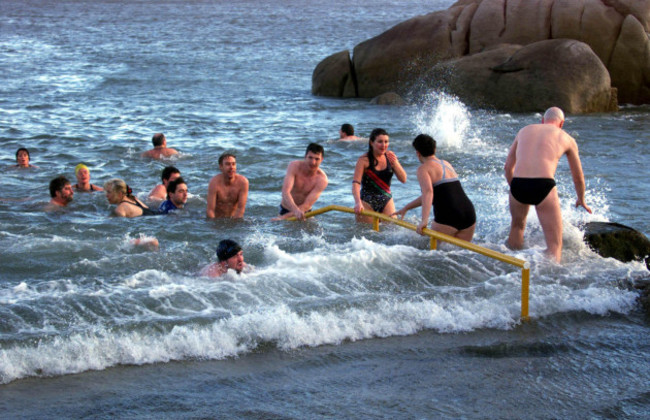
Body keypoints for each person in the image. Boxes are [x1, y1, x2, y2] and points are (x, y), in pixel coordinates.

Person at [504, 106, 592, 262]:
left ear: (543, 120)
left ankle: (510, 265)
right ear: (561, 123)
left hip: (518, 184)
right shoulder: (567, 138)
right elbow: (578, 177)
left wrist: (515, 188)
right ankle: (549, 279)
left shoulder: (524, 131)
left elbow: (507, 167)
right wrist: (581, 199)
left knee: (517, 228)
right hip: (544, 185)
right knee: (554, 246)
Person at [393, 134, 476, 241]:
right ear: (434, 149)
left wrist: (424, 220)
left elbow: (428, 193)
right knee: (461, 254)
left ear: (418, 153)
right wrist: (406, 208)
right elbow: (438, 193)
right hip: (469, 214)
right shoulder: (446, 163)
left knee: (436, 255)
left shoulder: (423, 169)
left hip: (449, 215)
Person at [352, 128, 407, 223]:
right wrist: (357, 202)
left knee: (392, 231)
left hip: (386, 200)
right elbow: (356, 183)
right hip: (366, 202)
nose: (384, 145)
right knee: (368, 234)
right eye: (380, 142)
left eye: (386, 142)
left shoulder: (390, 157)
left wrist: (395, 163)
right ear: (371, 143)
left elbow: (403, 179)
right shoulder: (363, 160)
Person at [273, 143, 328, 221]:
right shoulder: (294, 166)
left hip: (305, 212)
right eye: (310, 158)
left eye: (317, 159)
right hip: (286, 210)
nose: (313, 162)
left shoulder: (322, 180)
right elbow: (285, 192)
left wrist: (284, 218)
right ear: (305, 157)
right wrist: (286, 215)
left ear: (321, 159)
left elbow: (306, 205)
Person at [206, 152, 249, 219]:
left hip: (234, 219)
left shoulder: (243, 182)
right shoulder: (214, 183)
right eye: (228, 164)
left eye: (233, 164)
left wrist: (234, 226)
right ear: (221, 167)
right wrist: (213, 225)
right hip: (218, 220)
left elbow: (241, 209)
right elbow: (210, 210)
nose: (231, 167)